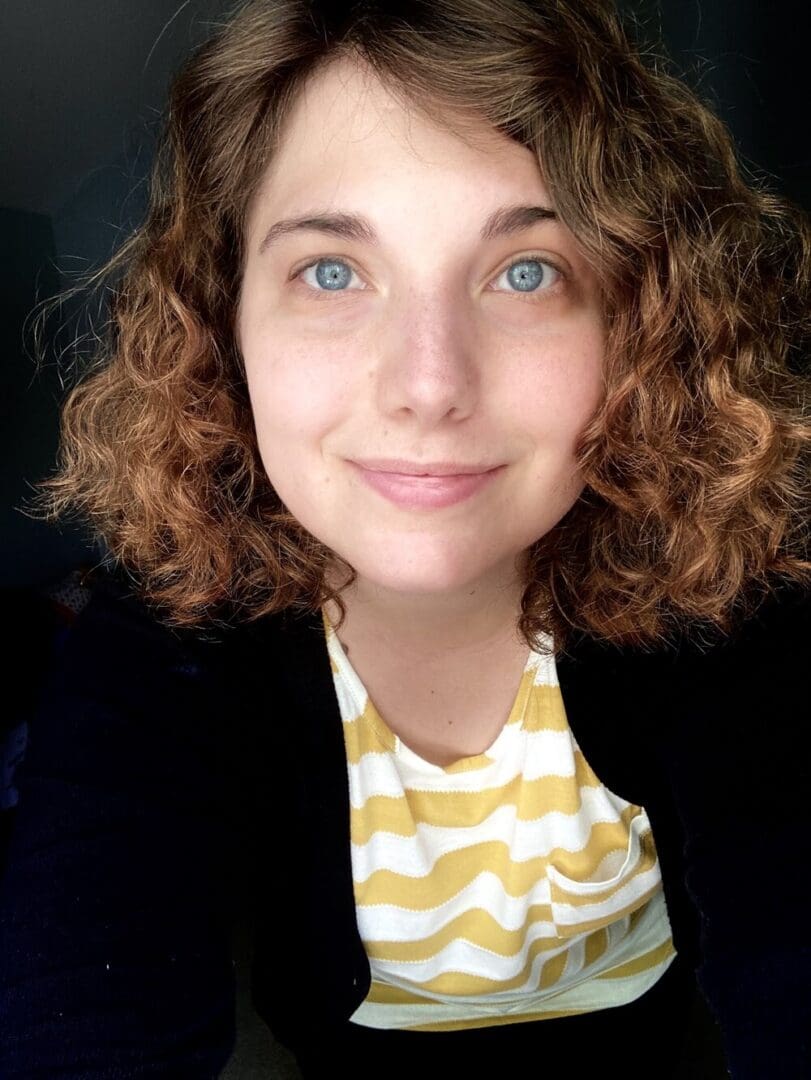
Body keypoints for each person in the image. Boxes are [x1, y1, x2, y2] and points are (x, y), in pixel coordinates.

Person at [2, 1, 809, 1077]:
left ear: (638, 324)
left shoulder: (717, 588)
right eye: (331, 271)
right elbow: (84, 993)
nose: (429, 386)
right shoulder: (167, 641)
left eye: (527, 271)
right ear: (224, 324)